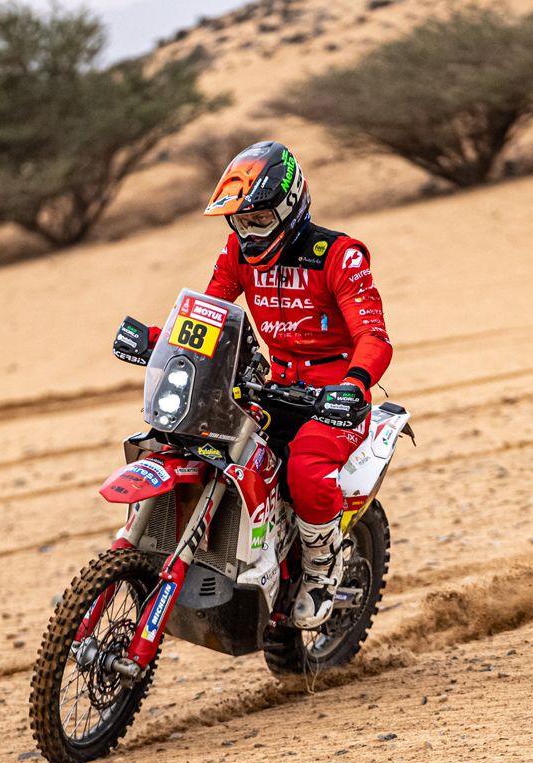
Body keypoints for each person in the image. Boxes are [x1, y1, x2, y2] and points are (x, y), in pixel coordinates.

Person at [143, 141, 392, 629]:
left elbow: (374, 337)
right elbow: (210, 312)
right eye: (240, 221)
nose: (248, 232)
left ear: (290, 205)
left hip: (332, 395)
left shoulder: (339, 255)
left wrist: (356, 384)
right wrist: (158, 340)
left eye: (258, 220)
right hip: (271, 385)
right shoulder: (237, 251)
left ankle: (321, 573)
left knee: (305, 465)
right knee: (196, 441)